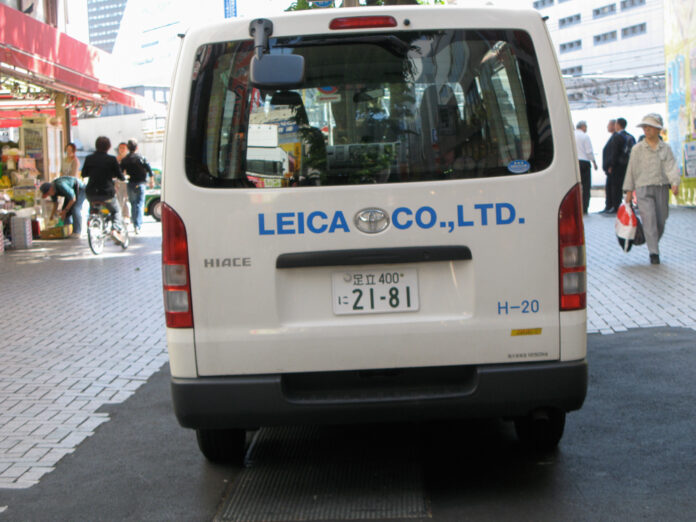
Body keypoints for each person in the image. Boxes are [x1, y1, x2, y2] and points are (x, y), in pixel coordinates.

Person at [623, 113, 680, 265]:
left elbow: (671, 166)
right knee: (649, 220)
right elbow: (631, 170)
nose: (646, 130)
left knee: (661, 220)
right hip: (643, 188)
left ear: (658, 130)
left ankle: (651, 240)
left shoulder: (665, 148)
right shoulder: (637, 149)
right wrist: (628, 191)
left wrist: (675, 183)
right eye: (645, 127)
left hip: (661, 187)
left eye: (650, 127)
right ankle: (654, 252)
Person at [81, 136, 127, 243]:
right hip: (107, 193)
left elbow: (84, 174)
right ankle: (115, 230)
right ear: (108, 147)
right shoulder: (111, 159)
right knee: (116, 211)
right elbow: (120, 176)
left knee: (94, 208)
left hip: (91, 193)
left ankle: (93, 223)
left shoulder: (89, 158)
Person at [119, 138, 153, 234]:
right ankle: (138, 225)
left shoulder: (125, 160)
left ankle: (135, 223)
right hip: (141, 183)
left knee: (133, 203)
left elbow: (120, 172)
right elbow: (150, 170)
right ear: (137, 147)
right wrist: (151, 181)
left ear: (128, 148)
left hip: (130, 184)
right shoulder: (141, 158)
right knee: (140, 204)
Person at [574, 121, 597, 214]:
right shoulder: (585, 136)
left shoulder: (571, 135)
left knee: (575, 187)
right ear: (583, 127)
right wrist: (594, 162)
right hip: (584, 163)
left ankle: (576, 208)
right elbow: (589, 152)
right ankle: (585, 208)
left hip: (574, 163)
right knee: (586, 187)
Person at [600, 119, 617, 213]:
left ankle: (613, 205)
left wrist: (611, 165)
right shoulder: (612, 137)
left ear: (614, 125)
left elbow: (614, 153)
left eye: (609, 125)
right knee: (609, 187)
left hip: (613, 168)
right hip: (609, 168)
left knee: (613, 187)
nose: (607, 127)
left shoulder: (616, 137)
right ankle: (608, 205)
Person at [115, 142, 131, 222]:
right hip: (119, 182)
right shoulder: (116, 159)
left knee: (127, 199)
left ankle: (127, 216)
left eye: (123, 148)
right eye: (120, 148)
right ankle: (120, 216)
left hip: (127, 181)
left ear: (127, 149)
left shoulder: (129, 158)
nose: (121, 150)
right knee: (119, 199)